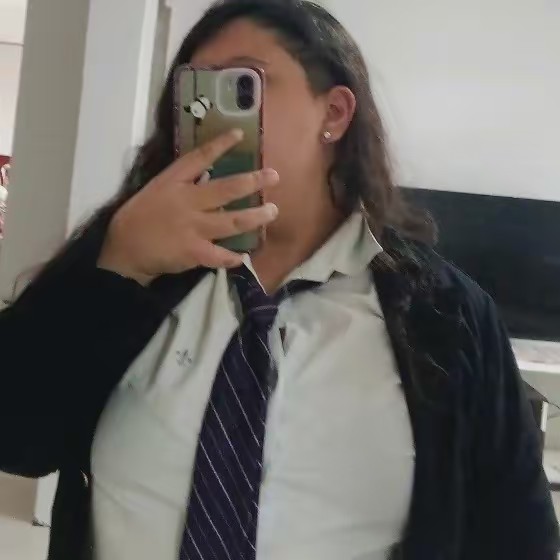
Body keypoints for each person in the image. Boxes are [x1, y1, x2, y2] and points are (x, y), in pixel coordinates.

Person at [0, 1, 557, 559]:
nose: (209, 111)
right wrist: (120, 267)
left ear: (334, 113)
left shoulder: (447, 314)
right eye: (195, 90)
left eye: (243, 85)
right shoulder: (131, 259)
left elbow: (517, 535)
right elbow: (16, 437)